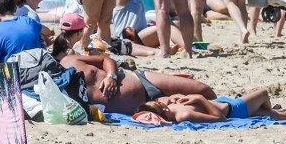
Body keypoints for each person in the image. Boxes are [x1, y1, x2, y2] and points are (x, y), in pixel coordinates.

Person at [57, 54, 216, 114]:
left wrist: (111, 76)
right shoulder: (53, 93)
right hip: (145, 108)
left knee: (202, 89)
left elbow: (107, 59)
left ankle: (225, 104)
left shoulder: (69, 61)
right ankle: (226, 110)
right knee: (197, 109)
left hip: (141, 81)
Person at [138, 89, 286, 122]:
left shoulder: (169, 105)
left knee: (267, 115)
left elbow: (172, 96)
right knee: (264, 94)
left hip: (223, 103)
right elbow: (219, 118)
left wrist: (177, 97)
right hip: (233, 110)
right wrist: (199, 98)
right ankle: (272, 109)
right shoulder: (183, 116)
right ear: (164, 111)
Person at [0, 0, 42, 64]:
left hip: (13, 73)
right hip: (36, 69)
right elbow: (46, 31)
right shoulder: (29, 21)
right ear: (15, 7)